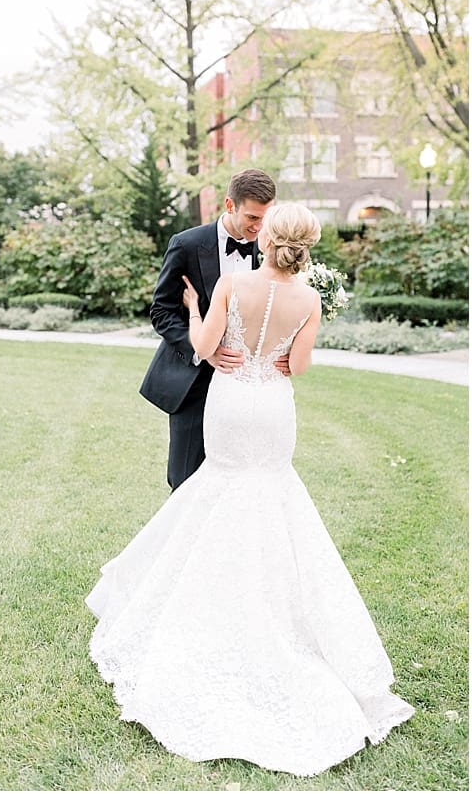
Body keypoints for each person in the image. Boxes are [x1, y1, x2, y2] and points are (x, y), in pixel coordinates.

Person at [87, 203, 414, 775]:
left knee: (217, 488)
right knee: (273, 496)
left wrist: (194, 307)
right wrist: (281, 354)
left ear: (268, 238)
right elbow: (301, 366)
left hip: (233, 401)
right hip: (273, 409)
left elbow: (206, 348)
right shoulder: (311, 299)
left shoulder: (234, 285)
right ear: (307, 244)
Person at [139, 169, 284, 491]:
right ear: (229, 204)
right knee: (186, 476)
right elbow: (162, 312)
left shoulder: (270, 249)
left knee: (243, 476)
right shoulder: (187, 244)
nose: (259, 228)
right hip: (194, 381)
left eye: (266, 218)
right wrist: (204, 350)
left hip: (248, 384)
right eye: (252, 217)